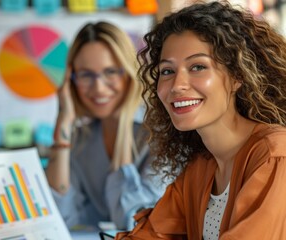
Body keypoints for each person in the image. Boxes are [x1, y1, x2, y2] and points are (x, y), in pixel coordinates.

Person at [116, 1, 286, 239]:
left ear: (238, 76)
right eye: (167, 71)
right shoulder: (200, 169)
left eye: (197, 67)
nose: (177, 85)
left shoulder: (274, 155)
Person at [45, 21, 167, 230]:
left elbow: (134, 223)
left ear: (129, 74)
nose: (99, 88)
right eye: (86, 74)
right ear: (71, 80)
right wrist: (63, 123)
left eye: (111, 72)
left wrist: (121, 130)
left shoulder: (164, 135)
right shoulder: (81, 139)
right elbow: (57, 219)